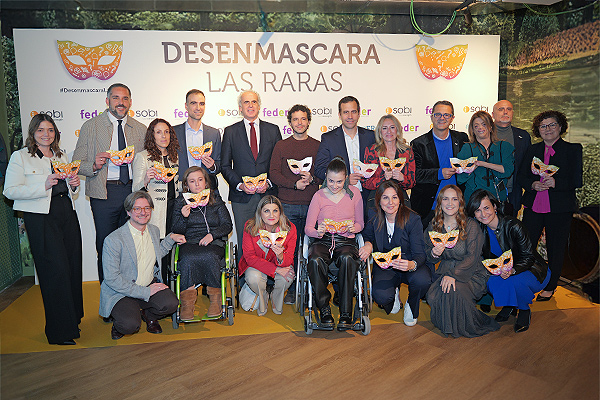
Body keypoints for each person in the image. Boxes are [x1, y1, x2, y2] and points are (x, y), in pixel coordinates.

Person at [4, 114, 83, 345]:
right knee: (54, 273)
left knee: (71, 268)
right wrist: (44, 184)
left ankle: (72, 322)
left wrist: (74, 186)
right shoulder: (21, 157)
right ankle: (58, 332)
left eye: (50, 130)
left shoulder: (61, 155)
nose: (46, 134)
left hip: (67, 215)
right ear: (33, 133)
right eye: (41, 130)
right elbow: (10, 191)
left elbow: (69, 191)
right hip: (41, 219)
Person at [73, 83, 146, 283]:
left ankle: (131, 296)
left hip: (133, 193)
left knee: (133, 247)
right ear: (107, 101)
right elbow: (76, 164)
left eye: (124, 99)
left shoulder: (140, 129)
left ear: (130, 102)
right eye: (115, 98)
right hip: (104, 194)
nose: (120, 103)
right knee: (106, 246)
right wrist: (93, 165)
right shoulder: (91, 126)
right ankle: (110, 301)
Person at [99, 191, 185, 340]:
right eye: (137, 208)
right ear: (128, 211)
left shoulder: (153, 230)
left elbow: (157, 253)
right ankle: (119, 322)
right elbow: (112, 279)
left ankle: (149, 315)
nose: (143, 212)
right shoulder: (113, 240)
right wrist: (145, 292)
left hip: (147, 284)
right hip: (122, 292)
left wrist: (170, 238)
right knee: (130, 325)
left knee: (171, 303)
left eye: (147, 208)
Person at [518, 110, 583, 301]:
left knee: (556, 248)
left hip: (560, 208)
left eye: (552, 125)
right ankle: (529, 280)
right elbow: (522, 176)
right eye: (543, 126)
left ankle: (551, 285)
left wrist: (557, 183)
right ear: (538, 130)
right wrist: (532, 184)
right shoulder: (532, 150)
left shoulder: (573, 149)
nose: (548, 129)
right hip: (534, 206)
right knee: (526, 246)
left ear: (561, 127)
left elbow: (577, 180)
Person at [466, 189, 550, 332]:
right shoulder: (479, 230)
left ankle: (523, 310)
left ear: (495, 207)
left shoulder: (513, 226)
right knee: (490, 281)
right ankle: (510, 306)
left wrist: (513, 270)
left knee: (513, 280)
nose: (483, 214)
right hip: (503, 272)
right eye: (478, 210)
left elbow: (528, 257)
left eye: (486, 208)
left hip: (531, 270)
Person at [424, 185, 499, 338]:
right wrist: (433, 253)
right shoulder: (433, 226)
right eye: (445, 199)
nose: (450, 203)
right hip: (445, 270)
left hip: (471, 272)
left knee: (453, 290)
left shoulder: (470, 225)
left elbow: (472, 257)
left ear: (460, 203)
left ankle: (466, 325)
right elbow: (426, 254)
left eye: (454, 199)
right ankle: (450, 323)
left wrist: (453, 274)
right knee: (433, 296)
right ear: (440, 202)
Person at [269, 104, 321, 305]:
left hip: (312, 206)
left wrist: (313, 178)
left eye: (303, 119)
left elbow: (326, 174)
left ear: (309, 121)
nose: (299, 123)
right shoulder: (281, 146)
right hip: (288, 205)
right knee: (289, 250)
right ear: (289, 122)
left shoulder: (318, 145)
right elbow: (273, 173)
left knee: (311, 250)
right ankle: (290, 287)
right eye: (295, 119)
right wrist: (294, 184)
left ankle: (310, 286)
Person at [359, 180, 430, 326]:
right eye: (385, 197)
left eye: (394, 197)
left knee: (423, 280)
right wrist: (368, 244)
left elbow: (420, 253)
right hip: (386, 265)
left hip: (408, 262)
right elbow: (367, 235)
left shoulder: (413, 219)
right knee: (380, 296)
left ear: (400, 200)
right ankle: (394, 294)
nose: (390, 202)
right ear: (379, 200)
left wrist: (412, 264)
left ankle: (411, 304)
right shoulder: (373, 216)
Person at [305, 157, 364, 331]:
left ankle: (346, 313)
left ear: (345, 178)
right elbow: (308, 228)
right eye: (331, 181)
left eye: (339, 181)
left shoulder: (354, 194)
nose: (334, 185)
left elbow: (361, 224)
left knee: (347, 258)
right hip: (323, 240)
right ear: (325, 176)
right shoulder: (319, 195)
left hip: (345, 240)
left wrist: (354, 227)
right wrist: (318, 231)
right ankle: (324, 308)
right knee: (314, 260)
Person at [221, 90, 282, 256]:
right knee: (245, 240)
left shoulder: (273, 130)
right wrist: (240, 185)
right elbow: (225, 165)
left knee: (271, 239)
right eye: (246, 102)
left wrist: (269, 182)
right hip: (242, 198)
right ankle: (245, 280)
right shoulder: (230, 131)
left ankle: (271, 280)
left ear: (259, 105)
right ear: (240, 107)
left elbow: (279, 163)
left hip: (268, 196)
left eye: (254, 102)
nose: (250, 105)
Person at [171, 166, 233, 319]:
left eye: (200, 180)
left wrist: (212, 235)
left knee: (210, 256)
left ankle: (215, 300)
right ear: (187, 185)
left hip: (213, 242)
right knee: (186, 258)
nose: (197, 184)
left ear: (206, 183)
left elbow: (227, 225)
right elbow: (176, 230)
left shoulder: (215, 199)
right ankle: (187, 303)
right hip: (189, 242)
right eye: (192, 181)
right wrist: (183, 217)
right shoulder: (181, 202)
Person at [410, 101, 469, 228]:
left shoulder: (462, 139)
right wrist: (438, 173)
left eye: (446, 115)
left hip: (457, 207)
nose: (442, 118)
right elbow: (415, 175)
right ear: (431, 117)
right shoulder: (419, 144)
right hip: (428, 207)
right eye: (438, 114)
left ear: (452, 118)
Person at [238, 195, 297, 316]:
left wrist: (280, 256)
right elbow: (249, 258)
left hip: (279, 264)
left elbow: (289, 258)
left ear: (280, 212)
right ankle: (263, 296)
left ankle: (276, 298)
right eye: (267, 211)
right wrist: (275, 269)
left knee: (288, 276)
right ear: (260, 213)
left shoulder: (289, 228)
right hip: (256, 265)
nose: (271, 215)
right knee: (253, 277)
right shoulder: (250, 227)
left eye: (275, 210)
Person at [314, 96, 375, 206]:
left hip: (369, 198)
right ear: (339, 115)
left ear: (359, 113)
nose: (350, 116)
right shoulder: (329, 139)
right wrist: (344, 180)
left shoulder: (371, 136)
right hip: (339, 198)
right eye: (346, 112)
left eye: (353, 112)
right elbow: (319, 169)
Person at [132, 118, 180, 239]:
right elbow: (134, 190)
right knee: (155, 251)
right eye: (158, 132)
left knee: (170, 248)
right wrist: (146, 180)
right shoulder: (142, 157)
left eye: (167, 132)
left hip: (173, 210)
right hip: (155, 212)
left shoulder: (174, 156)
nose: (163, 136)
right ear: (152, 135)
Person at [456, 110, 515, 205]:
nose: (480, 128)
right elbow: (460, 177)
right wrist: (470, 169)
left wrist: (483, 164)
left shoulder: (504, 147)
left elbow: (507, 171)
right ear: (473, 131)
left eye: (484, 124)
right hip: (473, 200)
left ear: (491, 127)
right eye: (476, 126)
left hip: (497, 199)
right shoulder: (467, 148)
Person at [174, 89, 221, 191]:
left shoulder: (214, 133)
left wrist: (212, 166)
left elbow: (219, 164)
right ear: (186, 106)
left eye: (202, 104)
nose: (198, 108)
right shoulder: (173, 132)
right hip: (181, 190)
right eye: (193, 103)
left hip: (207, 190)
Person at [363, 114, 415, 206]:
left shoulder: (407, 151)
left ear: (397, 130)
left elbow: (412, 182)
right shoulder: (371, 151)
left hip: (400, 200)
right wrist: (383, 178)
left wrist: (402, 178)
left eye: (392, 127)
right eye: (384, 128)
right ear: (380, 131)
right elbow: (365, 182)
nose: (389, 131)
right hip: (377, 200)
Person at [492, 100, 532, 215]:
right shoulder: (484, 134)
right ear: (493, 115)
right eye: (501, 109)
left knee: (509, 231)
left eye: (509, 109)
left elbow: (526, 167)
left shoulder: (523, 136)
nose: (505, 112)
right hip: (487, 194)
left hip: (512, 196)